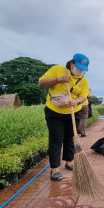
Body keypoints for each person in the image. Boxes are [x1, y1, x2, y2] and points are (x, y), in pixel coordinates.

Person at [38, 53, 89, 181]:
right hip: (54, 111)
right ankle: (54, 169)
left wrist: (77, 101)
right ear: (72, 64)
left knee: (70, 138)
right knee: (56, 139)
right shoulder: (57, 70)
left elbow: (83, 96)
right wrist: (58, 79)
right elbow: (42, 83)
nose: (80, 71)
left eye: (83, 69)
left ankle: (69, 161)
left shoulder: (83, 80)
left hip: (73, 112)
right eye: (78, 68)